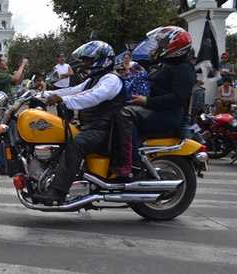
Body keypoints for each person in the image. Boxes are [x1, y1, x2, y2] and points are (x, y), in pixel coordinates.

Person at [34, 41, 127, 205]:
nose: (84, 64)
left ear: (101, 60)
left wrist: (62, 99)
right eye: (84, 60)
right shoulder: (94, 79)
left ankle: (57, 191)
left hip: (105, 129)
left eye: (88, 60)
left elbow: (94, 96)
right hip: (92, 126)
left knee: (76, 144)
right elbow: (72, 90)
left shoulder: (111, 79)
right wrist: (42, 93)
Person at [125, 26, 196, 163]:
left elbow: (178, 98)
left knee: (125, 115)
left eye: (162, 44)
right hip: (157, 111)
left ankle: (130, 161)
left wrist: (146, 101)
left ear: (174, 45)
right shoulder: (165, 65)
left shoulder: (184, 68)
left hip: (168, 115)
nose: (158, 46)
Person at [52, 53, 74, 119]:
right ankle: (60, 117)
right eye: (60, 57)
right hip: (57, 86)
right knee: (59, 103)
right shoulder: (55, 67)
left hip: (66, 86)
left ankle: (70, 118)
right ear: (57, 59)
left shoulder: (67, 65)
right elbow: (55, 77)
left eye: (63, 57)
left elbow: (71, 73)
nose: (62, 58)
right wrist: (66, 75)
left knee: (68, 101)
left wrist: (63, 75)